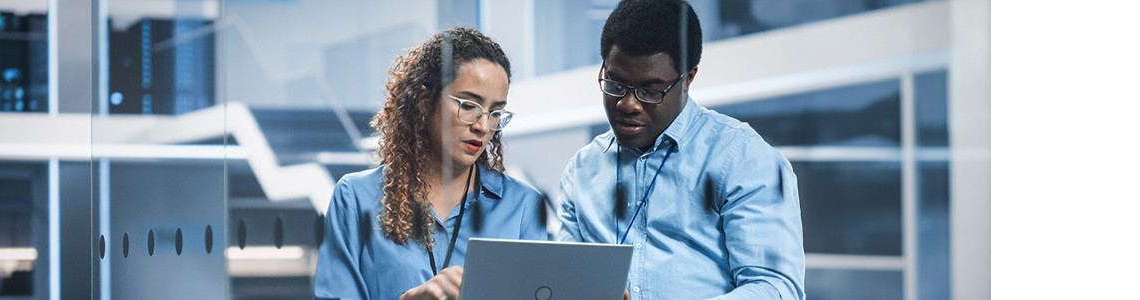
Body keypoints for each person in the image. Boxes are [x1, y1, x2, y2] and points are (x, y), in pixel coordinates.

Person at [554, 0, 806, 299]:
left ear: (688, 78)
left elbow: (776, 288)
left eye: (650, 91)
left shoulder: (742, 158)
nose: (628, 105)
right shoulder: (582, 170)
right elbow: (567, 282)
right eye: (615, 84)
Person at [314, 27, 549, 300]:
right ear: (426, 101)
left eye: (495, 112)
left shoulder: (523, 206)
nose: (484, 127)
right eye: (469, 105)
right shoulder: (355, 198)